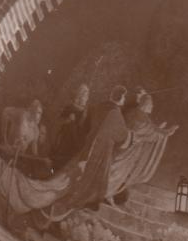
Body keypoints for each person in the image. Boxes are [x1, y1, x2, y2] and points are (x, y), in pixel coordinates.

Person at [51, 85, 132, 217]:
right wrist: (132, 136)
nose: (124, 99)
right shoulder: (115, 112)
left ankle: (82, 200)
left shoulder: (99, 107)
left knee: (86, 173)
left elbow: (87, 126)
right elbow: (122, 136)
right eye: (124, 97)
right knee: (97, 176)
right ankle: (87, 202)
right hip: (102, 149)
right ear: (120, 97)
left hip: (89, 144)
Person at [106, 87, 177, 203]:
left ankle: (107, 193)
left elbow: (150, 129)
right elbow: (151, 132)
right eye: (151, 104)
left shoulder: (133, 112)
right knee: (117, 172)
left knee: (114, 170)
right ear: (146, 104)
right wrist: (167, 132)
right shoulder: (142, 118)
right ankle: (106, 193)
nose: (152, 106)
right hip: (127, 151)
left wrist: (160, 130)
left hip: (122, 148)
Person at [51, 84, 92, 172]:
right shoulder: (70, 108)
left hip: (78, 140)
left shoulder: (86, 112)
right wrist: (68, 120)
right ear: (80, 96)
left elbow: (86, 128)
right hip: (66, 139)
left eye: (87, 96)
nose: (86, 98)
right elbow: (58, 121)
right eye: (85, 96)